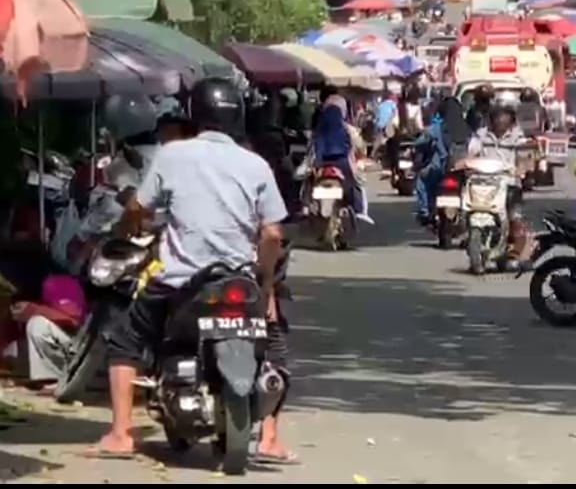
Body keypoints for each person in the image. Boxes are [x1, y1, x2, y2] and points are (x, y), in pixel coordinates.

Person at [89, 78, 290, 462]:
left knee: (125, 340)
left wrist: (128, 226)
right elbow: (272, 234)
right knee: (274, 341)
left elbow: (139, 209)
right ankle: (270, 438)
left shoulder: (172, 155)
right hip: (239, 279)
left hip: (181, 282)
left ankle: (120, 434)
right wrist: (265, 286)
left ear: (195, 115)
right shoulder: (256, 164)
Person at [467, 106, 529, 262]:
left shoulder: (518, 137)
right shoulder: (481, 135)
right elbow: (472, 152)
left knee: (515, 219)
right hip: (484, 183)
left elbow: (525, 158)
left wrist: (521, 169)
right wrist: (465, 163)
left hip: (509, 185)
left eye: (505, 117)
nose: (501, 121)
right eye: (498, 117)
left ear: (511, 121)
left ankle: (516, 253)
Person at [12, 273, 86, 387]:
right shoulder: (19, 290)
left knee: (38, 324)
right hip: (61, 345)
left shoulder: (61, 282)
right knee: (12, 349)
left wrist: (36, 310)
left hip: (81, 347)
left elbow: (73, 322)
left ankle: (52, 381)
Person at [312, 96, 370, 223]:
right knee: (355, 184)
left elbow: (314, 145)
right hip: (342, 162)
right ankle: (359, 211)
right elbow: (358, 145)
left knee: (309, 185)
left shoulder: (319, 128)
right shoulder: (347, 128)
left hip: (321, 163)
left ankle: (306, 209)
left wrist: (316, 162)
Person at [414, 97, 469, 224]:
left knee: (422, 179)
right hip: (464, 170)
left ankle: (425, 211)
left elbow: (420, 143)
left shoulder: (437, 128)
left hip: (441, 167)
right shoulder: (467, 129)